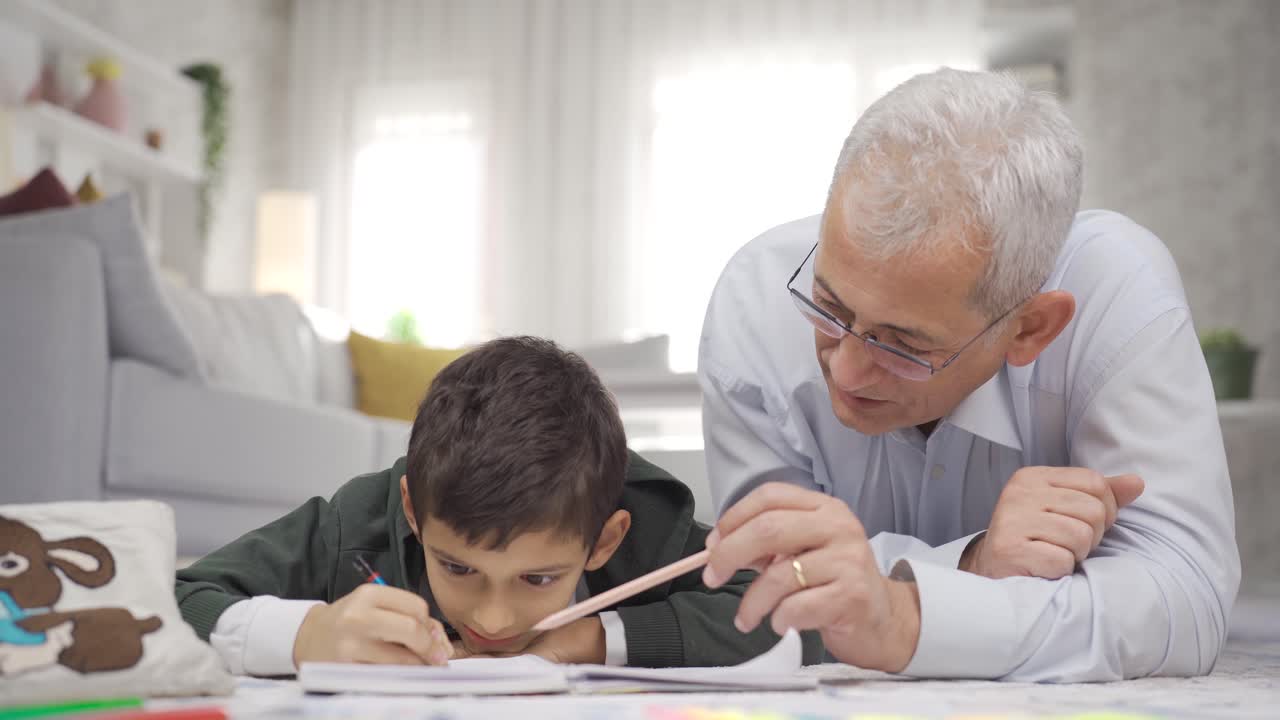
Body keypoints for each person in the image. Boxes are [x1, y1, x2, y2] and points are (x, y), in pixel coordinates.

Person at [696, 68, 1239, 682]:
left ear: (1030, 329)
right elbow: (758, 589)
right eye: (829, 308)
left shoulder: (1117, 294)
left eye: (902, 344)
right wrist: (972, 565)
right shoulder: (756, 302)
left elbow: (1183, 602)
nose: (845, 369)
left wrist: (905, 619)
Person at [177, 336, 817, 676]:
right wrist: (305, 636)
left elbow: (803, 619)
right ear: (410, 510)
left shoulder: (645, 527)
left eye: (539, 578)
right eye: (456, 567)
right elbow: (179, 599)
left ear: (605, 540)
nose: (494, 616)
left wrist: (594, 639)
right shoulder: (359, 523)